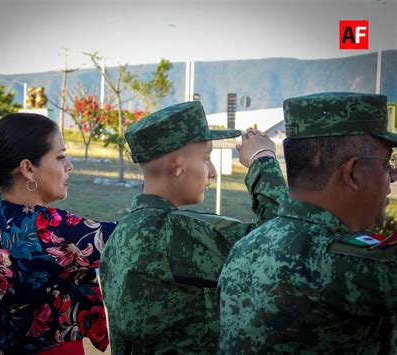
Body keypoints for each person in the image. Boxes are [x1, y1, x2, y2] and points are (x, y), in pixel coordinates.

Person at [99, 101, 288, 354]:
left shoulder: (122, 233)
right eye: (206, 158)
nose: (212, 172)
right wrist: (261, 159)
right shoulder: (173, 233)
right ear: (178, 165)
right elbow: (282, 240)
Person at [218, 92, 397, 354]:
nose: (392, 176)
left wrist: (263, 162)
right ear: (353, 173)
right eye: (387, 163)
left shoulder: (245, 249)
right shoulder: (346, 264)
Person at [0, 113, 117, 354]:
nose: (69, 166)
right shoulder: (47, 229)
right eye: (60, 157)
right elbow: (130, 238)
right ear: (27, 169)